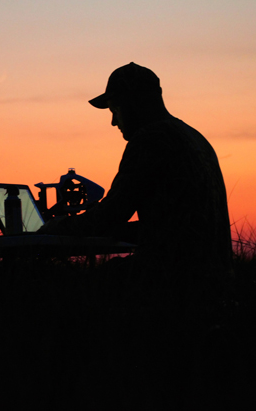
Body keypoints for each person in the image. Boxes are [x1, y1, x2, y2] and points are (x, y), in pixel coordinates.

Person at [39, 63, 234, 285]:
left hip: (177, 279)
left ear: (135, 102)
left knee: (68, 286)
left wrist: (57, 227)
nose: (113, 122)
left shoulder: (151, 139)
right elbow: (171, 226)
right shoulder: (195, 137)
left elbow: (112, 214)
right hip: (217, 278)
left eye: (115, 110)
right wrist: (117, 229)